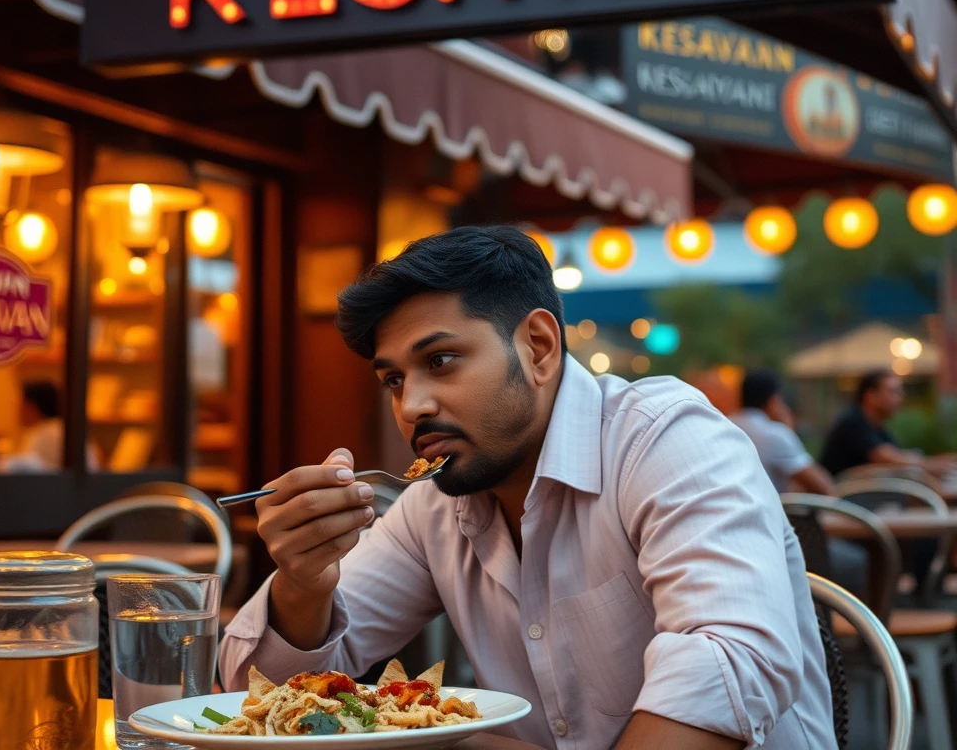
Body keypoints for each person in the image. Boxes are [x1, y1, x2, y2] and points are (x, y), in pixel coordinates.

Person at [220, 226, 834, 750]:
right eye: (393, 380)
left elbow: (731, 657)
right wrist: (305, 583)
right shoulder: (433, 507)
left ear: (538, 348)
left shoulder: (662, 439)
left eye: (440, 361)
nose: (413, 405)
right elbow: (255, 700)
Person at [820, 369, 957, 478]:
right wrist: (933, 465)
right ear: (870, 396)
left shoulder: (876, 426)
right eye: (893, 392)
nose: (900, 398)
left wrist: (944, 461)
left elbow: (900, 456)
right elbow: (892, 460)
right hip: (845, 502)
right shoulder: (854, 423)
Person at [733, 370, 834, 494]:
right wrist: (789, 431)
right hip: (772, 511)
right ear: (773, 401)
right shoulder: (774, 434)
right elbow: (824, 487)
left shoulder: (727, 423)